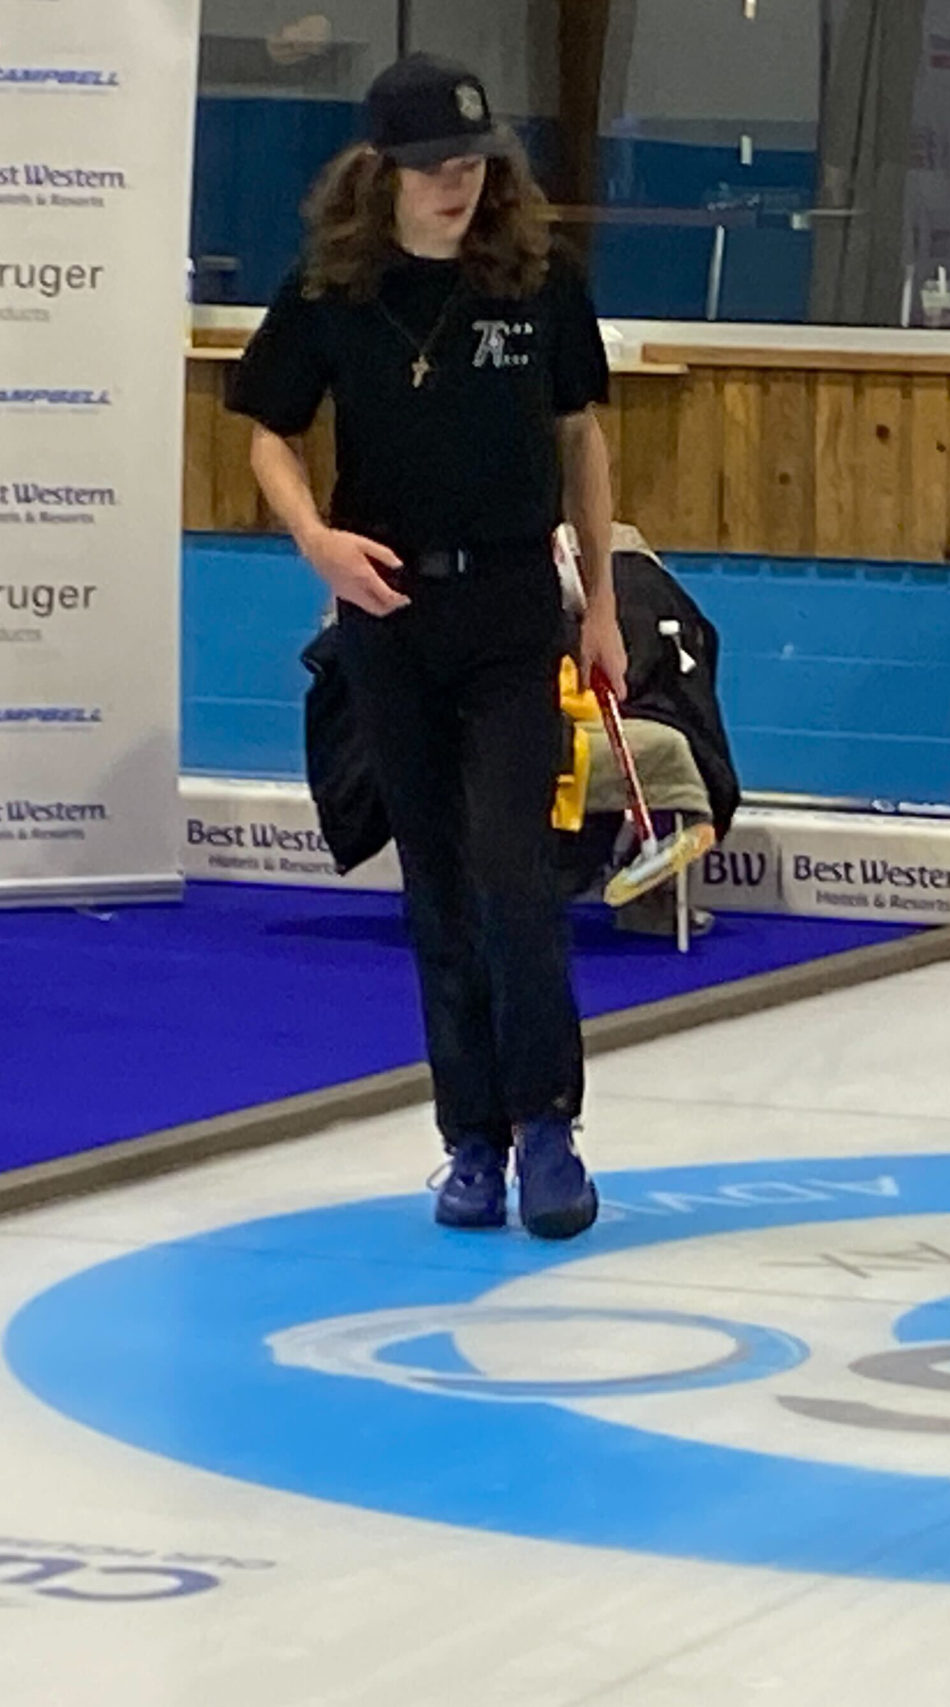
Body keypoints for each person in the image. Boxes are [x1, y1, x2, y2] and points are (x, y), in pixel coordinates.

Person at [227, 53, 619, 1239]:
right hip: (387, 615)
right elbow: (266, 432)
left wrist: (599, 604)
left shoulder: (540, 279)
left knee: (515, 870)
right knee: (438, 886)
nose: (457, 184)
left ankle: (548, 1123)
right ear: (381, 172)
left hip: (508, 607)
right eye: (433, 167)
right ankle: (471, 1141)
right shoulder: (333, 288)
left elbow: (582, 441)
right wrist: (317, 542)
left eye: (472, 162)